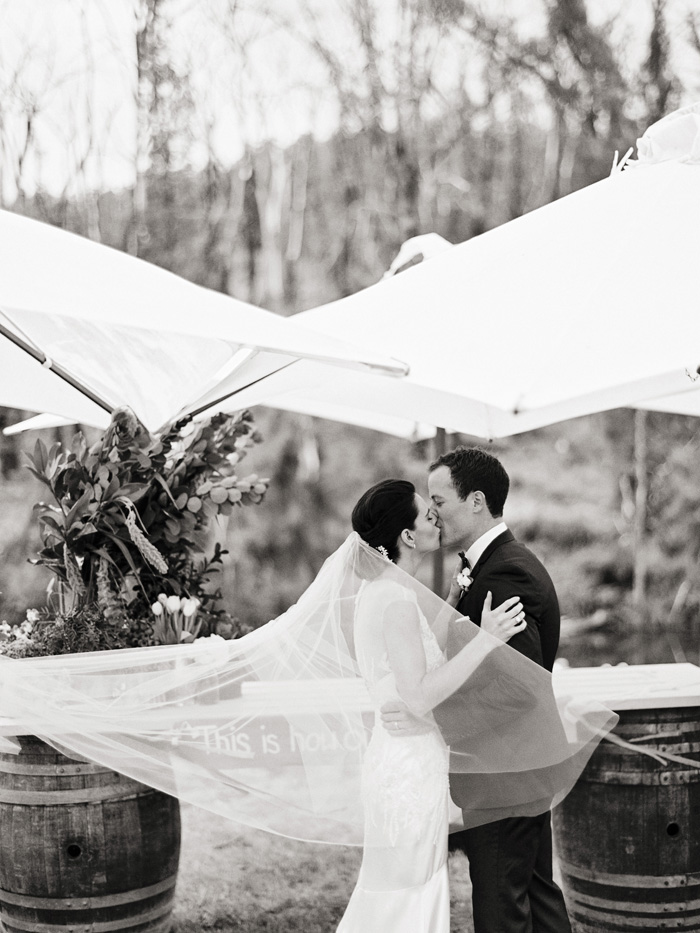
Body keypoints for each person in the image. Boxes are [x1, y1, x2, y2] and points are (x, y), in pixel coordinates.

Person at [382, 447, 571, 933]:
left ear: (476, 501)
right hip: (516, 764)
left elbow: (519, 688)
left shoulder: (504, 573)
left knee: (502, 905)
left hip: (504, 768)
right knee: (533, 893)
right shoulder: (488, 567)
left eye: (439, 500)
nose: (433, 511)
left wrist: (433, 718)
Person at [337, 479, 527, 932]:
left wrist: (459, 595)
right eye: (427, 514)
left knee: (396, 890)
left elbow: (420, 648)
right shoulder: (396, 600)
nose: (436, 519)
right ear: (406, 535)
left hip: (396, 755)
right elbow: (419, 694)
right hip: (408, 768)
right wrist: (486, 640)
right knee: (410, 894)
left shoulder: (382, 590)